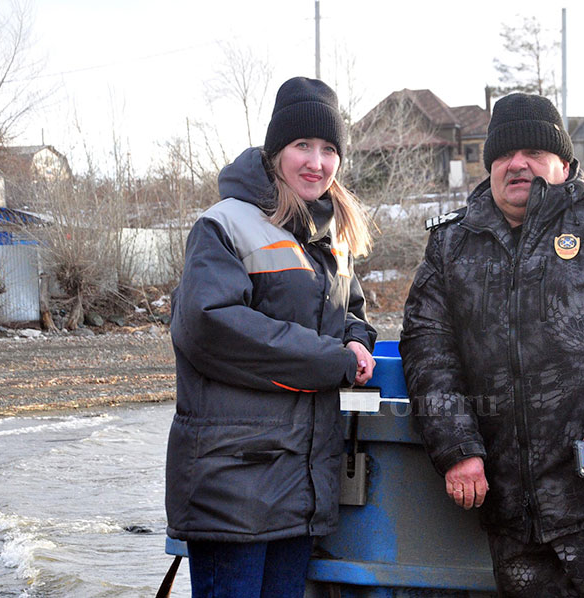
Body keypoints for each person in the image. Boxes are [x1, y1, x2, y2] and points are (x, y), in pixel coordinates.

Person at [400, 93, 584, 597]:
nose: (517, 165)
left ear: (562, 161)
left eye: (534, 153)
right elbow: (428, 350)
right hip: (513, 514)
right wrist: (456, 450)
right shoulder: (451, 245)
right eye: (503, 155)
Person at [165, 76, 377, 598]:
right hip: (235, 484)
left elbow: (351, 312)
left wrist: (356, 342)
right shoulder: (224, 226)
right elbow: (211, 328)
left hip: (300, 485)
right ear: (276, 150)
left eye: (329, 149)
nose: (317, 162)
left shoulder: (330, 240)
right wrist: (332, 360)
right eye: (303, 145)